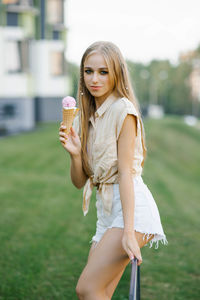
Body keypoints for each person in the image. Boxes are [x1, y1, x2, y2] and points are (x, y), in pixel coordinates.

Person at [59, 41, 168, 300]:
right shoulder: (84, 117)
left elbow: (127, 175)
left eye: (103, 72)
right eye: (88, 71)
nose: (94, 79)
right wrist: (75, 155)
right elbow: (79, 182)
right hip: (106, 213)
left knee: (86, 288)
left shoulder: (123, 110)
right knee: (95, 294)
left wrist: (129, 232)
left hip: (132, 211)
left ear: (116, 73)